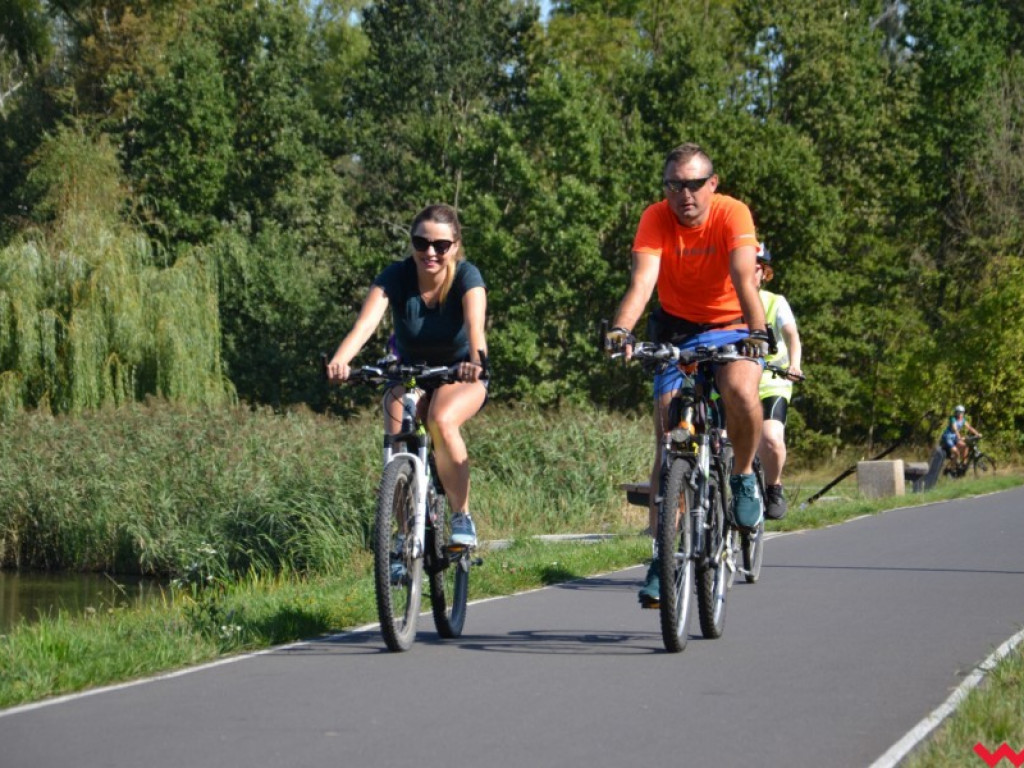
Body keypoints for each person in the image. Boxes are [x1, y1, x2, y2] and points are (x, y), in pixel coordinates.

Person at [606, 143, 770, 607]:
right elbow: (642, 282)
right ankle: (663, 557)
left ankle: (740, 476)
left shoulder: (733, 213)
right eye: (675, 185)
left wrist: (758, 332)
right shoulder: (655, 218)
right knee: (668, 442)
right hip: (675, 327)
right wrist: (622, 330)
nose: (686, 194)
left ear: (712, 185)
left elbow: (743, 276)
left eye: (695, 184)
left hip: (732, 324)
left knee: (738, 388)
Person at [326, 204, 488, 547]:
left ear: (455, 246)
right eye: (421, 243)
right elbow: (365, 324)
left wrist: (476, 361)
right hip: (410, 370)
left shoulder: (466, 277)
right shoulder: (396, 276)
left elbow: (476, 327)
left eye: (441, 246)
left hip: (458, 372)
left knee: (441, 419)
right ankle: (401, 537)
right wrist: (341, 360)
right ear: (412, 243)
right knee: (396, 427)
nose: (430, 252)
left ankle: (462, 517)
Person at [754, 243, 803, 520]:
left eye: (756, 268)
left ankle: (774, 488)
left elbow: (792, 336)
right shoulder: (725, 301)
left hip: (772, 380)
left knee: (771, 439)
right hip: (733, 382)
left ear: (765, 273)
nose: (749, 272)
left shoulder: (775, 302)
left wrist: (794, 364)